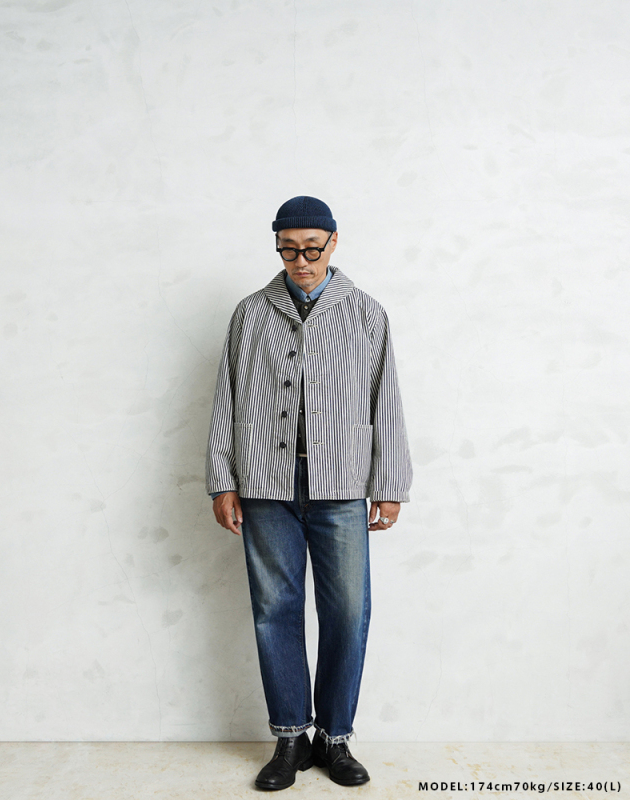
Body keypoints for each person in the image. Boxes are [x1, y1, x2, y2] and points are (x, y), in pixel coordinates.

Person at [205, 195, 413, 790]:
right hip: (265, 485)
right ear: (277, 245)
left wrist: (390, 484)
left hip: (341, 485)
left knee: (347, 611)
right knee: (275, 610)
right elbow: (227, 396)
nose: (300, 261)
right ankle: (290, 737)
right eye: (288, 249)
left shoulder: (366, 313)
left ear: (333, 242)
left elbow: (385, 399)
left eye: (311, 249)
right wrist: (222, 479)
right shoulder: (251, 314)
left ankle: (336, 738)